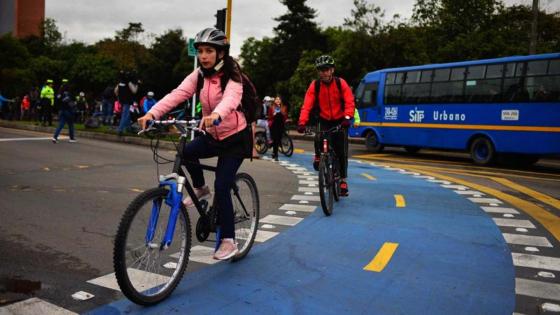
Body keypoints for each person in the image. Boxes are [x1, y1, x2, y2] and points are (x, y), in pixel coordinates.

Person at [137, 27, 252, 260]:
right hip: (212, 134)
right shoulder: (199, 75)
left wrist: (217, 115)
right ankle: (200, 188)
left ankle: (229, 241)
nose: (204, 56)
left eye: (209, 51)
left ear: (221, 53)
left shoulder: (233, 74)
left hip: (235, 139)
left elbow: (231, 98)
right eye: (200, 51)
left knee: (223, 185)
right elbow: (177, 94)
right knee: (186, 152)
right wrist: (152, 113)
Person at [296, 55, 356, 197]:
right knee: (319, 137)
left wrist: (347, 118)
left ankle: (342, 180)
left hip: (340, 120)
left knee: (341, 151)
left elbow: (349, 102)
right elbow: (307, 105)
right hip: (324, 119)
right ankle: (318, 156)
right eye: (320, 70)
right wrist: (302, 122)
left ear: (332, 70)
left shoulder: (341, 83)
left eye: (326, 69)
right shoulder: (315, 85)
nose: (323, 72)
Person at [115, 70, 138, 135]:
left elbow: (116, 90)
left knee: (127, 114)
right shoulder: (129, 83)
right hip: (127, 101)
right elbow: (134, 91)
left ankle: (129, 128)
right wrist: (136, 85)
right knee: (125, 115)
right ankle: (120, 129)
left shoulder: (120, 83)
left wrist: (118, 96)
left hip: (121, 100)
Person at [268, 96, 287, 161]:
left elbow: (285, 116)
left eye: (279, 99)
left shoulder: (284, 107)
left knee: (278, 140)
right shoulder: (271, 107)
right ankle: (276, 155)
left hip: (281, 125)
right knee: (275, 140)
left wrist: (281, 111)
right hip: (274, 125)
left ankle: (273, 150)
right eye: (276, 99)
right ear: (275, 100)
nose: (278, 100)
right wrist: (274, 114)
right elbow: (270, 117)